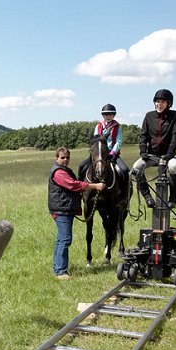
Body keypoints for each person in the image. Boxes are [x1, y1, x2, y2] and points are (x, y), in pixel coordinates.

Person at [48, 147, 106, 280]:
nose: (65, 160)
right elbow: (72, 185)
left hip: (64, 209)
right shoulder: (58, 172)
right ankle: (61, 272)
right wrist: (95, 186)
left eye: (67, 157)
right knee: (65, 239)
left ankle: (58, 268)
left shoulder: (65, 170)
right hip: (61, 210)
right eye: (62, 158)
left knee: (61, 239)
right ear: (57, 158)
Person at [131, 89, 176, 208]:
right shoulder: (149, 116)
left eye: (163, 102)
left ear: (168, 104)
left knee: (173, 167)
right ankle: (147, 196)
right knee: (136, 168)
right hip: (151, 155)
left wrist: (170, 154)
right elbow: (143, 135)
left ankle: (173, 199)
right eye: (157, 102)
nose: (159, 104)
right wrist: (143, 151)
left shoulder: (174, 115)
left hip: (169, 155)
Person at [78, 103, 130, 181]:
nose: (108, 117)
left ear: (113, 115)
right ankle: (80, 190)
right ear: (103, 116)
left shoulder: (117, 127)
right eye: (106, 115)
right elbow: (95, 141)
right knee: (81, 166)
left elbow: (118, 142)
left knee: (125, 170)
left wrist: (112, 153)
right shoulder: (98, 126)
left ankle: (125, 192)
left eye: (110, 115)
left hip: (112, 154)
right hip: (98, 153)